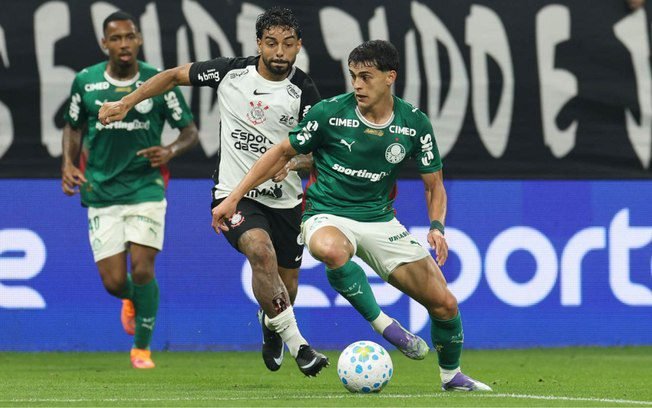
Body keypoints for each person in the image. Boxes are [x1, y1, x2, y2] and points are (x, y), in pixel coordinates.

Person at [211, 40, 493, 392]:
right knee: (330, 249)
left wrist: (437, 227)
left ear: (390, 77)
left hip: (380, 220)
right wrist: (233, 198)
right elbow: (281, 152)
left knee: (445, 303)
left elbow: (434, 185)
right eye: (353, 76)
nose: (357, 85)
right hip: (326, 213)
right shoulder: (329, 113)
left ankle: (452, 377)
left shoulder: (414, 123)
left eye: (366, 77)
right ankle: (384, 324)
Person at [98, 7, 330, 377]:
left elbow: (315, 153)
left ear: (299, 45)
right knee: (260, 251)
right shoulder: (229, 72)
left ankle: (272, 324)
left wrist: (294, 162)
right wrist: (127, 102)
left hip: (285, 201)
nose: (279, 52)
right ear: (259, 43)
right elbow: (173, 76)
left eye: (288, 44)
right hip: (234, 195)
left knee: (287, 286)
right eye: (271, 43)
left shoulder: (304, 91)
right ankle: (300, 346)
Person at [61, 11, 198, 369]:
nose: (124, 44)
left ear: (139, 39)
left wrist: (170, 150)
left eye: (129, 37)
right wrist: (68, 164)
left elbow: (189, 131)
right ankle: (131, 299)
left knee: (141, 269)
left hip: (145, 188)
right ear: (104, 43)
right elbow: (73, 126)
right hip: (101, 189)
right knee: (114, 282)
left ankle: (141, 348)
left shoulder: (158, 81)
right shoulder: (86, 82)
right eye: (116, 38)